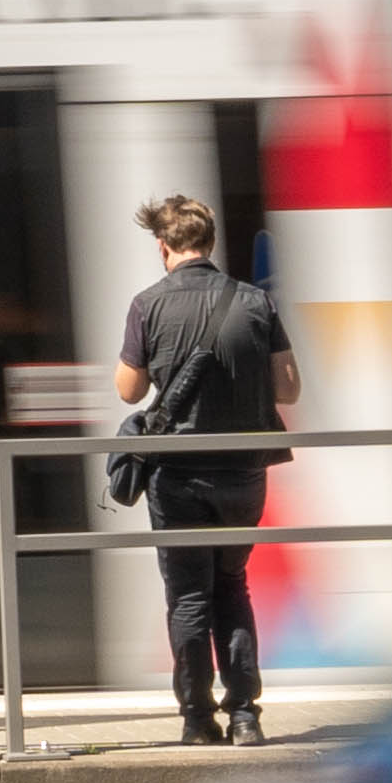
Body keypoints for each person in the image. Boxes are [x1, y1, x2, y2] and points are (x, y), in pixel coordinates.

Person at [110, 194, 297, 745]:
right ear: (210, 243)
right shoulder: (255, 301)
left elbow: (129, 391)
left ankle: (197, 720)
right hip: (243, 473)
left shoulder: (148, 303)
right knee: (232, 585)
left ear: (164, 247)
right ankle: (245, 715)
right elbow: (288, 387)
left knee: (189, 595)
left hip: (177, 476)